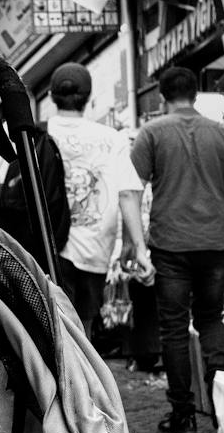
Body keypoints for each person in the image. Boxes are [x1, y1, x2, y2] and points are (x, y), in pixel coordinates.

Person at [130, 66, 224, 433]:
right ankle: (223, 411)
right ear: (196, 95)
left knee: (173, 330)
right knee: (212, 320)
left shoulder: (151, 133)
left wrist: (136, 246)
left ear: (161, 97)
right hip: (214, 242)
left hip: (170, 244)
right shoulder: (222, 134)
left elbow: (131, 191)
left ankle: (183, 415)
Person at [42, 63, 151, 334]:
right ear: (89, 98)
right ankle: (82, 376)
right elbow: (127, 194)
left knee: (50, 328)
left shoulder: (37, 134)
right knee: (84, 329)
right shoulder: (111, 139)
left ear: (51, 96)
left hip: (49, 247)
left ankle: (56, 376)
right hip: (94, 249)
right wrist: (138, 248)